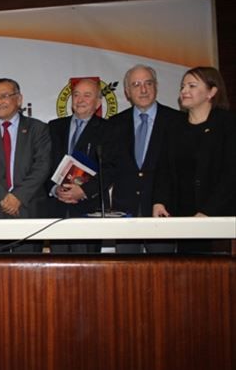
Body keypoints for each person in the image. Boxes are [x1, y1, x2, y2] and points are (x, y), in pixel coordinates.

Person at [153, 66, 235, 253]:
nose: (184, 91)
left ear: (211, 92)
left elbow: (231, 174)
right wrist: (159, 201)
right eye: (182, 86)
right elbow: (163, 169)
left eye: (192, 86)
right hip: (183, 217)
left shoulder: (228, 124)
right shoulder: (174, 127)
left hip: (221, 218)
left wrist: (208, 212)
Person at [0, 78, 51, 253]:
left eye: (4, 96)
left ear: (19, 99)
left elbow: (42, 166)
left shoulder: (38, 129)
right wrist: (3, 198)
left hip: (28, 208)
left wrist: (17, 197)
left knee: (28, 267)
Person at [110, 65, 183, 254]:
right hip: (124, 212)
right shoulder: (115, 124)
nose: (143, 90)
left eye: (148, 83)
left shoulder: (176, 121)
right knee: (126, 270)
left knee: (163, 268)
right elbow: (108, 167)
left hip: (163, 211)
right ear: (127, 92)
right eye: (136, 85)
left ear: (156, 86)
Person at [47, 77, 113, 253]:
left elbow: (111, 168)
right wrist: (54, 189)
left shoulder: (109, 129)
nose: (80, 100)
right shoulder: (54, 127)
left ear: (98, 102)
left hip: (89, 208)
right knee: (58, 266)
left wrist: (84, 191)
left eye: (87, 95)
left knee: (87, 266)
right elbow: (43, 165)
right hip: (57, 209)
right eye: (76, 95)